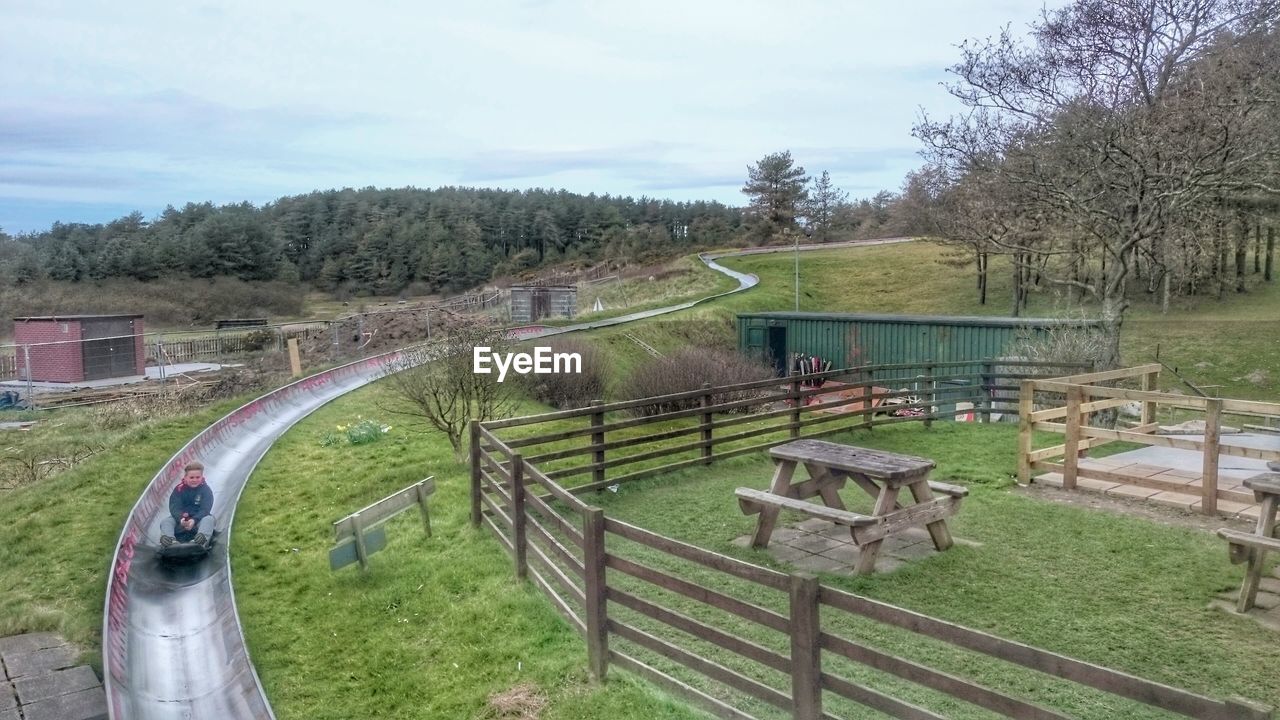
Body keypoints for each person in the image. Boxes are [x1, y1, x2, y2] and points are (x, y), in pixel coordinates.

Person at [160, 461, 215, 550]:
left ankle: (199, 542)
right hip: (181, 521)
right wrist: (180, 519)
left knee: (209, 519)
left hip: (197, 522)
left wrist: (194, 520)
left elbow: (205, 509)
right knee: (166, 522)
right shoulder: (179, 489)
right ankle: (170, 542)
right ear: (185, 477)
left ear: (202, 477)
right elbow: (174, 507)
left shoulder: (206, 490)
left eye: (198, 477)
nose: (194, 480)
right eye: (191, 477)